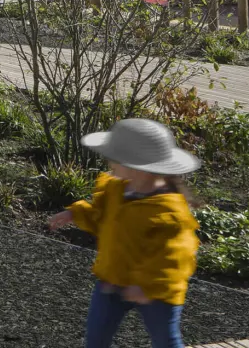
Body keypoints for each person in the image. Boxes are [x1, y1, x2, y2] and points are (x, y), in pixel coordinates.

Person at [45, 117, 199, 348]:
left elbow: (175, 256)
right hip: (112, 280)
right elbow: (102, 218)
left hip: (156, 291)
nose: (109, 162)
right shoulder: (116, 188)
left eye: (115, 158)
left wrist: (144, 285)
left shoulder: (170, 211)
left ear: (138, 167)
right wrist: (75, 214)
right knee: (96, 339)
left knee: (166, 340)